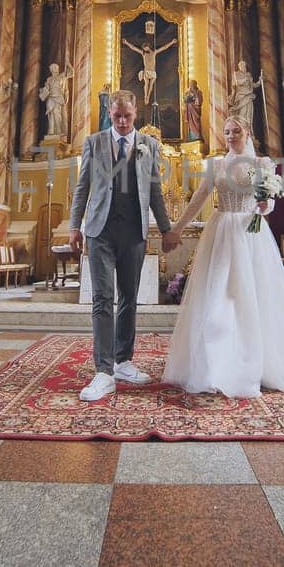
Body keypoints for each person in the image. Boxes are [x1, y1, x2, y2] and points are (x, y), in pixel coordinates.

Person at [162, 117, 284, 398]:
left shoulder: (262, 164)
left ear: (248, 132)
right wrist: (176, 229)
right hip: (222, 231)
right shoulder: (217, 165)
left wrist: (264, 205)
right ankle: (214, 366)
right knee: (217, 296)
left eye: (237, 130)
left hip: (250, 232)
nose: (231, 135)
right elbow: (199, 198)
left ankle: (255, 364)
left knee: (252, 295)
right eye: (226, 131)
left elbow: (269, 201)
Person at [69, 91, 177, 402]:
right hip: (100, 230)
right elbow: (83, 187)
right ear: (109, 112)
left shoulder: (149, 145)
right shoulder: (94, 142)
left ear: (135, 113)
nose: (121, 121)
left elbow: (155, 191)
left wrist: (167, 229)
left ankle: (122, 361)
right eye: (116, 115)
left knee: (129, 297)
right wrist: (75, 226)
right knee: (103, 297)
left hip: (134, 232)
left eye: (127, 116)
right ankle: (103, 371)